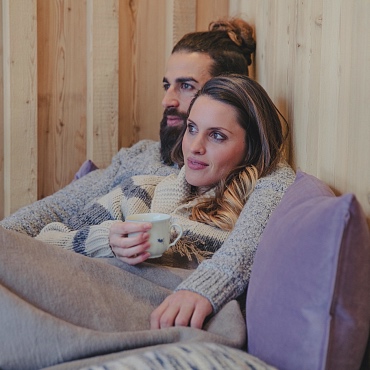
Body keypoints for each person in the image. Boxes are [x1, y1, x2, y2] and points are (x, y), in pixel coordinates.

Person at [34, 74, 296, 329]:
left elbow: (278, 176)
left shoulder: (255, 209)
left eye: (217, 135)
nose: (195, 146)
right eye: (192, 128)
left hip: (137, 316)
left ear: (251, 148)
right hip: (79, 293)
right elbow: (43, 243)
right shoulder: (140, 190)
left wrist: (204, 290)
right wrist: (107, 241)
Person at [0, 17, 256, 237]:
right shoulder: (141, 153)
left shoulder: (235, 179)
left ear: (225, 94)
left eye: (186, 86)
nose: (167, 100)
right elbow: (59, 207)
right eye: (167, 86)